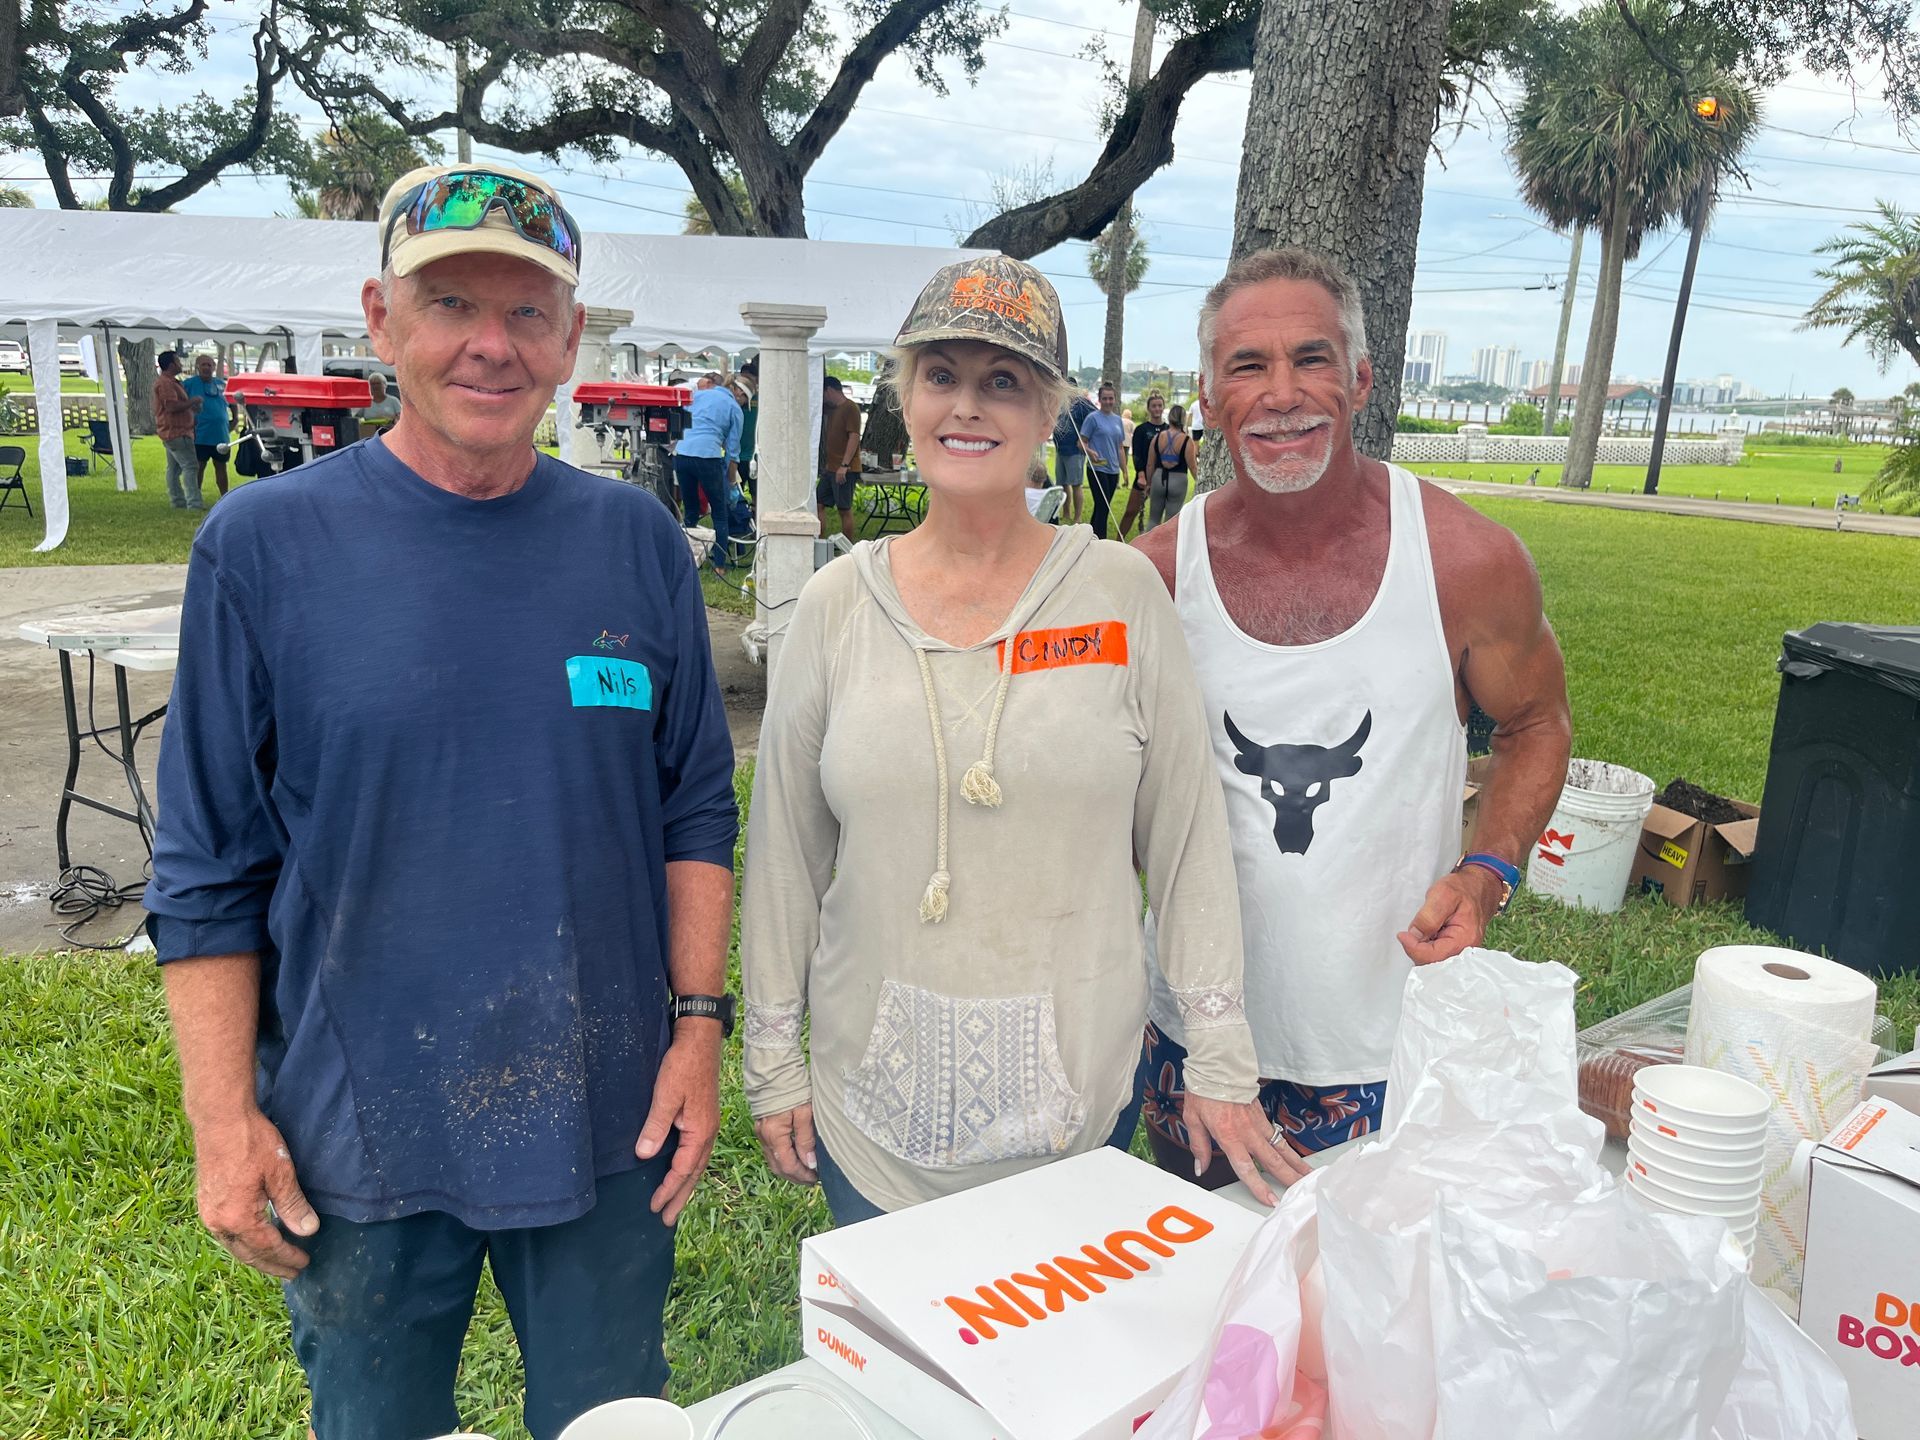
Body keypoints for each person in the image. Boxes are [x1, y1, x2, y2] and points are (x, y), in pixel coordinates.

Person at [143, 162, 739, 1440]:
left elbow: (694, 807)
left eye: (529, 314)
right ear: (381, 320)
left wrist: (698, 1032)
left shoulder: (635, 542)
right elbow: (203, 865)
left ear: (572, 339)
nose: (491, 344)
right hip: (358, 1125)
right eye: (452, 302)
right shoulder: (263, 546)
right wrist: (221, 1120)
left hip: (607, 1113)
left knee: (610, 1421)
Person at [740, 254, 1302, 1226]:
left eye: (1004, 381)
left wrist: (1218, 1050)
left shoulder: (1119, 597)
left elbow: (1187, 842)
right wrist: (771, 1057)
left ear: (1050, 415)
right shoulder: (834, 608)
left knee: (1055, 1363)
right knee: (899, 1372)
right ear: (905, 397)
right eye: (942, 375)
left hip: (1076, 1098)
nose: (969, 407)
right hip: (870, 1112)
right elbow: (787, 850)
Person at [1130, 246, 1572, 1183]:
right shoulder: (1156, 576)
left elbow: (1536, 722)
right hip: (1203, 1041)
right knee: (1210, 1302)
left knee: (1370, 1309)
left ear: (1363, 378)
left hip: (1387, 1037)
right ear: (1209, 398)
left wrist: (1487, 870)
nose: (1282, 392)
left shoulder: (1464, 560)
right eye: (1248, 366)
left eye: (1313, 358)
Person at [676, 364, 743, 572]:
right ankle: (720, 566)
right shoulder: (734, 407)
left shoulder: (700, 395)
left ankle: (687, 561)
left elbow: (682, 418)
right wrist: (731, 482)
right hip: (708, 457)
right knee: (720, 512)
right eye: (745, 400)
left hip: (683, 453)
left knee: (690, 511)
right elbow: (733, 451)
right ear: (738, 392)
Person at [153, 349, 202, 511]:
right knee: (190, 466)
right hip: (177, 432)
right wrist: (191, 402)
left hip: (172, 431)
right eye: (178, 361)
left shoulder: (171, 382)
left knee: (174, 469)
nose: (181, 364)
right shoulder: (166, 383)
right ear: (171, 365)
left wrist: (190, 408)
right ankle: (193, 503)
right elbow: (171, 406)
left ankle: (177, 501)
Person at [1077, 380, 1127, 538]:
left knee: (1102, 508)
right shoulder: (1093, 418)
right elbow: (1080, 442)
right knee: (1103, 506)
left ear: (1115, 399)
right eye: (1105, 398)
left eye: (1111, 398)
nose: (1108, 401)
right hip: (1097, 468)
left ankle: (1090, 537)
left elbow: (1120, 447)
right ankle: (1101, 540)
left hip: (1113, 470)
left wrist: (1124, 470)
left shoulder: (1118, 420)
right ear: (1099, 400)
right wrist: (1090, 452)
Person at [1117, 390, 1170, 539]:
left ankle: (1156, 544)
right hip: (1144, 476)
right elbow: (1137, 455)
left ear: (1163, 407)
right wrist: (1141, 475)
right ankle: (1118, 539)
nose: (1157, 409)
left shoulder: (1169, 429)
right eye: (1154, 406)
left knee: (1157, 515)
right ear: (1149, 408)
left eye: (1160, 406)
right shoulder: (1141, 430)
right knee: (1131, 511)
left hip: (1162, 477)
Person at [817, 374, 863, 542]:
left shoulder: (850, 408)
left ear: (829, 390)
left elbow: (854, 436)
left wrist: (844, 465)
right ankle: (819, 541)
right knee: (818, 503)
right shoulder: (830, 409)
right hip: (830, 467)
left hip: (845, 468)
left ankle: (848, 547)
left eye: (822, 393)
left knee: (844, 509)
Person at [182, 353, 232, 498]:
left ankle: (225, 496)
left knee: (221, 467)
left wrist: (234, 420)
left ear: (214, 367)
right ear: (197, 367)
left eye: (209, 365)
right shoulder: (189, 384)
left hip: (220, 434)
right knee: (199, 466)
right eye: (203, 364)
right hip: (200, 435)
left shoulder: (222, 384)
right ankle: (195, 496)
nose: (206, 367)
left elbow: (232, 402)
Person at [1144, 402, 1195, 531]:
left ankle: (1148, 547)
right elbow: (1193, 467)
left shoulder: (1157, 437)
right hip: (1178, 480)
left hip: (1158, 478)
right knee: (1171, 521)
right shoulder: (1187, 440)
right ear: (1183, 418)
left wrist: (1149, 483)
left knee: (1153, 519)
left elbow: (1150, 464)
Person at [1050, 389, 1094, 524]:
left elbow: (1094, 417)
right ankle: (1066, 512)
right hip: (1061, 450)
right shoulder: (1060, 404)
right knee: (1062, 483)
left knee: (1076, 484)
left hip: (1074, 451)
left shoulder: (1081, 404)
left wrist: (1084, 438)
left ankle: (1078, 516)